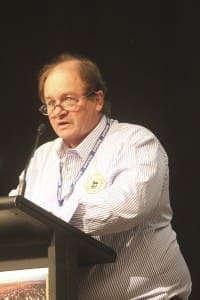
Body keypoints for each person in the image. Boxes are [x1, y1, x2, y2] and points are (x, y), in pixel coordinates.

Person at [10, 52, 192, 299]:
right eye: (50, 103)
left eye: (68, 100)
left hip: (149, 295)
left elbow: (129, 204)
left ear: (97, 99)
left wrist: (48, 218)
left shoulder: (135, 142)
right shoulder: (43, 156)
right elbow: (16, 211)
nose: (58, 111)